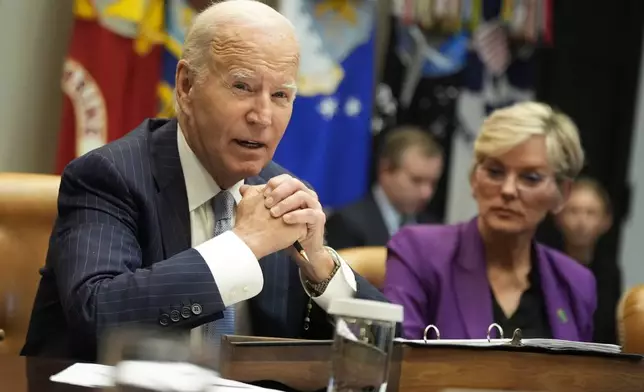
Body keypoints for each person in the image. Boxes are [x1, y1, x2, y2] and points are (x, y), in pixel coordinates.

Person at [21, 0, 386, 361]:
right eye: (242, 86)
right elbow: (98, 317)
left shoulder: (281, 192)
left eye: (280, 95)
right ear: (186, 85)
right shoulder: (110, 176)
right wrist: (244, 246)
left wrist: (320, 267)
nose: (262, 116)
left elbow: (385, 349)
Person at [383, 102, 596, 341]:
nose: (507, 190)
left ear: (562, 193)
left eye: (530, 177)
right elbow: (399, 365)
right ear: (475, 178)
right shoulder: (418, 252)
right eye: (495, 172)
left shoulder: (576, 283)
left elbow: (579, 376)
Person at [325, 127, 443, 250]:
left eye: (433, 183)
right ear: (385, 170)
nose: (426, 193)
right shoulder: (347, 223)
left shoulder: (433, 228)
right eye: (416, 180)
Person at [555, 177, 621, 344]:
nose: (581, 222)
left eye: (590, 213)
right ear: (559, 216)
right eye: (573, 211)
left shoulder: (610, 275)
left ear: (606, 221)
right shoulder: (546, 266)